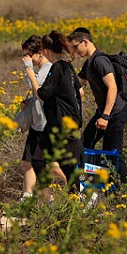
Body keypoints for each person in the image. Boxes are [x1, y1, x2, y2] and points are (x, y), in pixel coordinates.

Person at [68, 27, 127, 185]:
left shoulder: (100, 61)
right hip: (103, 113)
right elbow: (76, 87)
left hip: (115, 113)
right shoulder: (89, 63)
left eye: (75, 47)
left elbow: (113, 87)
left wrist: (105, 116)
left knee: (115, 154)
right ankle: (93, 184)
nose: (75, 51)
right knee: (84, 145)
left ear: (85, 42)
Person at [26, 31, 84, 187]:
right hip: (66, 121)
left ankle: (76, 195)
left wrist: (31, 76)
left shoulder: (57, 67)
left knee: (43, 160)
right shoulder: (67, 66)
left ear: (46, 51)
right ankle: (69, 196)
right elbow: (80, 91)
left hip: (60, 124)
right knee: (59, 163)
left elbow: (42, 94)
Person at [19, 35, 66, 201]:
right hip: (37, 124)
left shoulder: (48, 69)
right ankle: (32, 198)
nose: (26, 59)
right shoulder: (39, 70)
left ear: (39, 53)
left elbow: (40, 90)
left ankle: (78, 185)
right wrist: (29, 102)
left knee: (50, 165)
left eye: (29, 55)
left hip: (46, 124)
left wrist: (29, 68)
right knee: (29, 163)